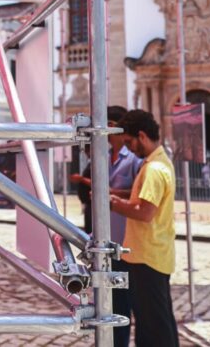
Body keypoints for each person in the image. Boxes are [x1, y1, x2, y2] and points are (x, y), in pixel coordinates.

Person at [70, 106, 142, 346]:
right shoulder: (102, 157)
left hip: (124, 244)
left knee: (124, 304)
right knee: (106, 302)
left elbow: (139, 194)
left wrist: (109, 193)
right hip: (103, 241)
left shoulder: (134, 159)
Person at [109, 109, 179, 347]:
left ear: (141, 136)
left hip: (148, 256)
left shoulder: (154, 169)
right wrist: (118, 196)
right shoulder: (158, 163)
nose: (129, 149)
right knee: (155, 323)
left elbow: (145, 212)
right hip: (151, 254)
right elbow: (142, 200)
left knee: (154, 327)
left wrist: (113, 204)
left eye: (129, 142)